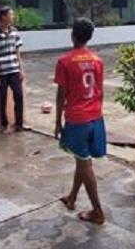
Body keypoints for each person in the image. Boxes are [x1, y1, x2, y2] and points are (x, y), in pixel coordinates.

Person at [54, 18, 106, 225]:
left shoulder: (65, 62)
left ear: (73, 35)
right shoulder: (97, 60)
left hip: (77, 119)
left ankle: (98, 211)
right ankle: (72, 197)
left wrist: (58, 122)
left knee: (85, 164)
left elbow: (61, 96)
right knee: (81, 159)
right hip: (95, 117)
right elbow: (100, 92)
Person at [0, 6, 25, 134]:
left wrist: (21, 69)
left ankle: (19, 124)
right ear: (3, 17)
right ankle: (4, 124)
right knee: (2, 99)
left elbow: (18, 52)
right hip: (2, 72)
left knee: (19, 97)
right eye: (11, 14)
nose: (13, 16)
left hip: (14, 70)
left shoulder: (15, 32)